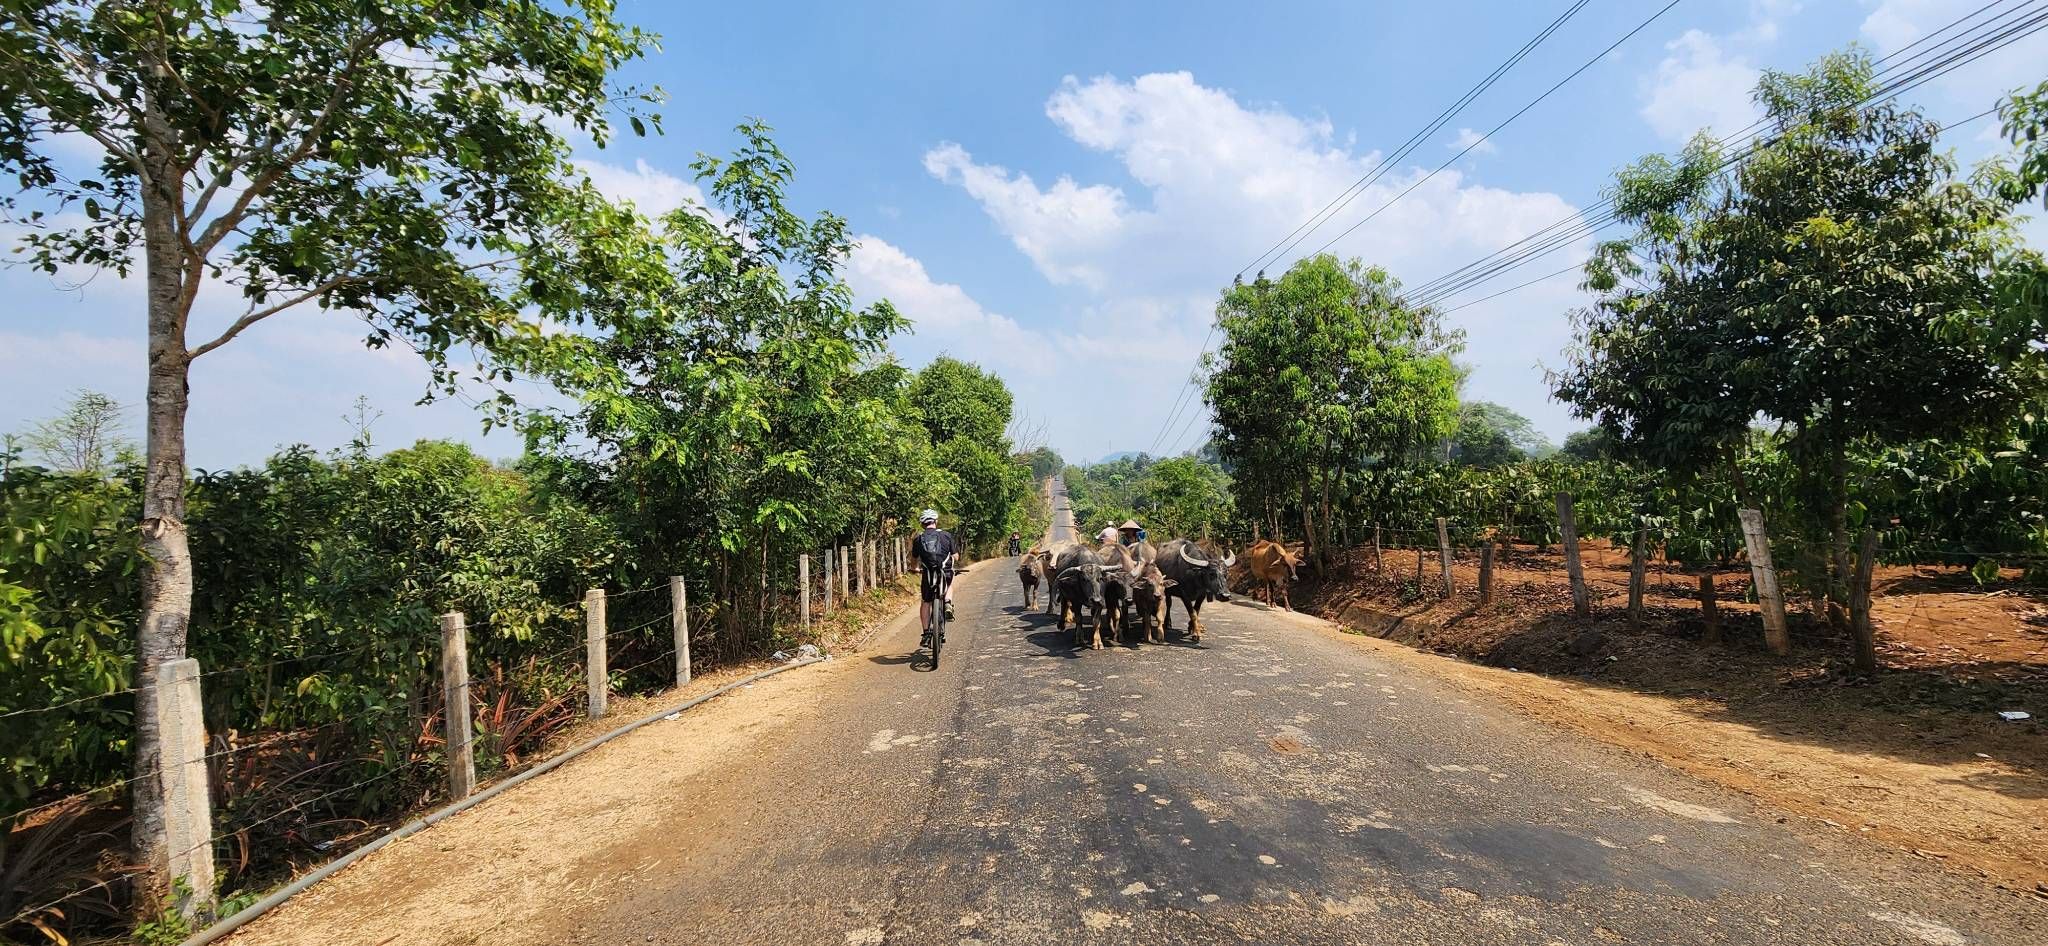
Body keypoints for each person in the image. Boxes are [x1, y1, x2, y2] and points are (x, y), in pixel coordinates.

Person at [912, 509, 960, 644]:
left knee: (926, 602)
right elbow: (956, 556)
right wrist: (952, 559)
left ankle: (926, 633)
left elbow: (914, 560)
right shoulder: (946, 535)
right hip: (945, 571)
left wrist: (915, 569)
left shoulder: (918, 539)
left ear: (922, 524)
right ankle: (948, 603)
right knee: (949, 584)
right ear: (936, 522)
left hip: (928, 574)